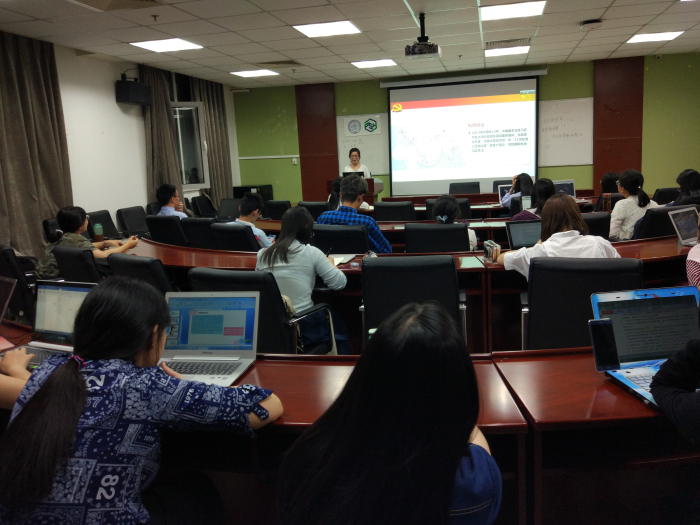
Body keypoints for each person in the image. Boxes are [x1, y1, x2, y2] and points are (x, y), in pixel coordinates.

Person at [0, 277, 282, 525]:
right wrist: (186, 388)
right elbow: (267, 406)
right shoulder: (149, 386)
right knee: (198, 487)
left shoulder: (52, 371)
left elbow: (70, 391)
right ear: (153, 336)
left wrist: (16, 370)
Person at [277, 302, 501, 525]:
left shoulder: (309, 460)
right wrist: (453, 406)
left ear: (365, 377)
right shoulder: (475, 481)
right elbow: (476, 447)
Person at [256, 207, 351, 354]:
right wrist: (331, 263)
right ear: (307, 228)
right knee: (337, 321)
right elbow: (339, 284)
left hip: (272, 326)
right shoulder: (311, 252)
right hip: (303, 325)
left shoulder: (262, 254)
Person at [496, 194, 620, 279]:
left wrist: (537, 245)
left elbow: (501, 258)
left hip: (553, 309)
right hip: (594, 308)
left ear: (546, 221)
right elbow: (620, 270)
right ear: (577, 216)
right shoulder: (600, 243)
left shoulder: (539, 252)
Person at [35, 206, 139, 279]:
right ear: (81, 225)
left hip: (41, 278)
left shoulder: (61, 236)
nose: (87, 220)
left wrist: (106, 243)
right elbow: (103, 255)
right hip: (57, 280)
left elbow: (83, 247)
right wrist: (127, 245)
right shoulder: (76, 238)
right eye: (86, 218)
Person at [316, 174, 392, 254]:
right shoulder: (368, 222)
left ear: (340, 195)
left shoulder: (323, 217)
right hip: (360, 261)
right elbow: (386, 250)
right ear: (360, 197)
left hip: (330, 261)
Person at [609, 169, 659, 241]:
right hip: (650, 244)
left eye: (618, 182)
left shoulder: (621, 204)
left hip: (626, 245)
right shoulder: (654, 204)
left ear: (622, 189)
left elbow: (612, 235)